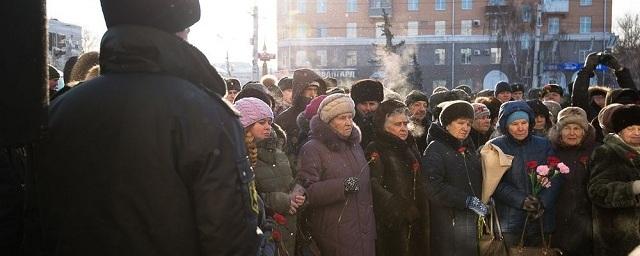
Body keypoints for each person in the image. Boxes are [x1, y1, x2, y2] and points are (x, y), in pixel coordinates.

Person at [31, 0, 259, 254]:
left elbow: (35, 224)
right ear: (180, 29)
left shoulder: (60, 111)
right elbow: (231, 241)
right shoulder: (204, 114)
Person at [296, 94, 375, 255]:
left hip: (363, 233)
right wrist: (343, 185)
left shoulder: (355, 146)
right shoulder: (313, 148)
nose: (348, 123)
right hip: (333, 235)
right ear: (328, 121)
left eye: (350, 117)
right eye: (341, 118)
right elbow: (307, 192)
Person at [235, 97, 305, 256]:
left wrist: (298, 194)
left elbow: (293, 180)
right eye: (261, 122)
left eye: (269, 122)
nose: (268, 127)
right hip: (264, 236)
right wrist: (280, 201)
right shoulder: (241, 157)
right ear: (246, 126)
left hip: (288, 231)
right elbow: (246, 199)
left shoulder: (279, 151)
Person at [489, 101, 560, 247]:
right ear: (506, 126)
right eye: (514, 124)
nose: (520, 128)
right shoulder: (496, 147)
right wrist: (521, 200)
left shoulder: (544, 144)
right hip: (511, 220)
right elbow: (494, 183)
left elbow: (556, 176)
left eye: (524, 122)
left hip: (541, 219)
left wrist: (543, 202)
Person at [422, 100, 486, 256]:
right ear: (447, 124)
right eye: (460, 123)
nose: (465, 128)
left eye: (469, 124)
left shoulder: (467, 148)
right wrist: (467, 200)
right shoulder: (436, 148)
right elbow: (433, 186)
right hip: (449, 221)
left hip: (469, 220)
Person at [367, 100, 429, 256]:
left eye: (405, 124)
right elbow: (373, 185)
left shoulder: (408, 146)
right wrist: (401, 208)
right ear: (384, 125)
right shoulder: (376, 148)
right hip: (393, 225)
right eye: (397, 124)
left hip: (416, 221)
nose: (403, 129)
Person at [589, 105, 640, 256]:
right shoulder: (607, 152)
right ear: (620, 131)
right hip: (619, 237)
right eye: (631, 128)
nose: (637, 133)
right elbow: (597, 191)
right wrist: (632, 188)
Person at [547, 107, 598, 255]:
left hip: (587, 222)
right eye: (567, 128)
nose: (572, 133)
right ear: (559, 131)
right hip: (556, 221)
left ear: (585, 131)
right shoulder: (549, 150)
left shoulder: (596, 150)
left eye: (577, 128)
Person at [276, 69, 326, 172]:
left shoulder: (323, 114)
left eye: (315, 90)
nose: (313, 94)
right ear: (300, 90)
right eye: (309, 89)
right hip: (294, 169)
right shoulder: (284, 118)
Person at [351, 79, 384, 150]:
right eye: (363, 104)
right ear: (355, 104)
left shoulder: (386, 122)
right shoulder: (349, 124)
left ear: (379, 104)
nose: (368, 108)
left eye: (372, 104)